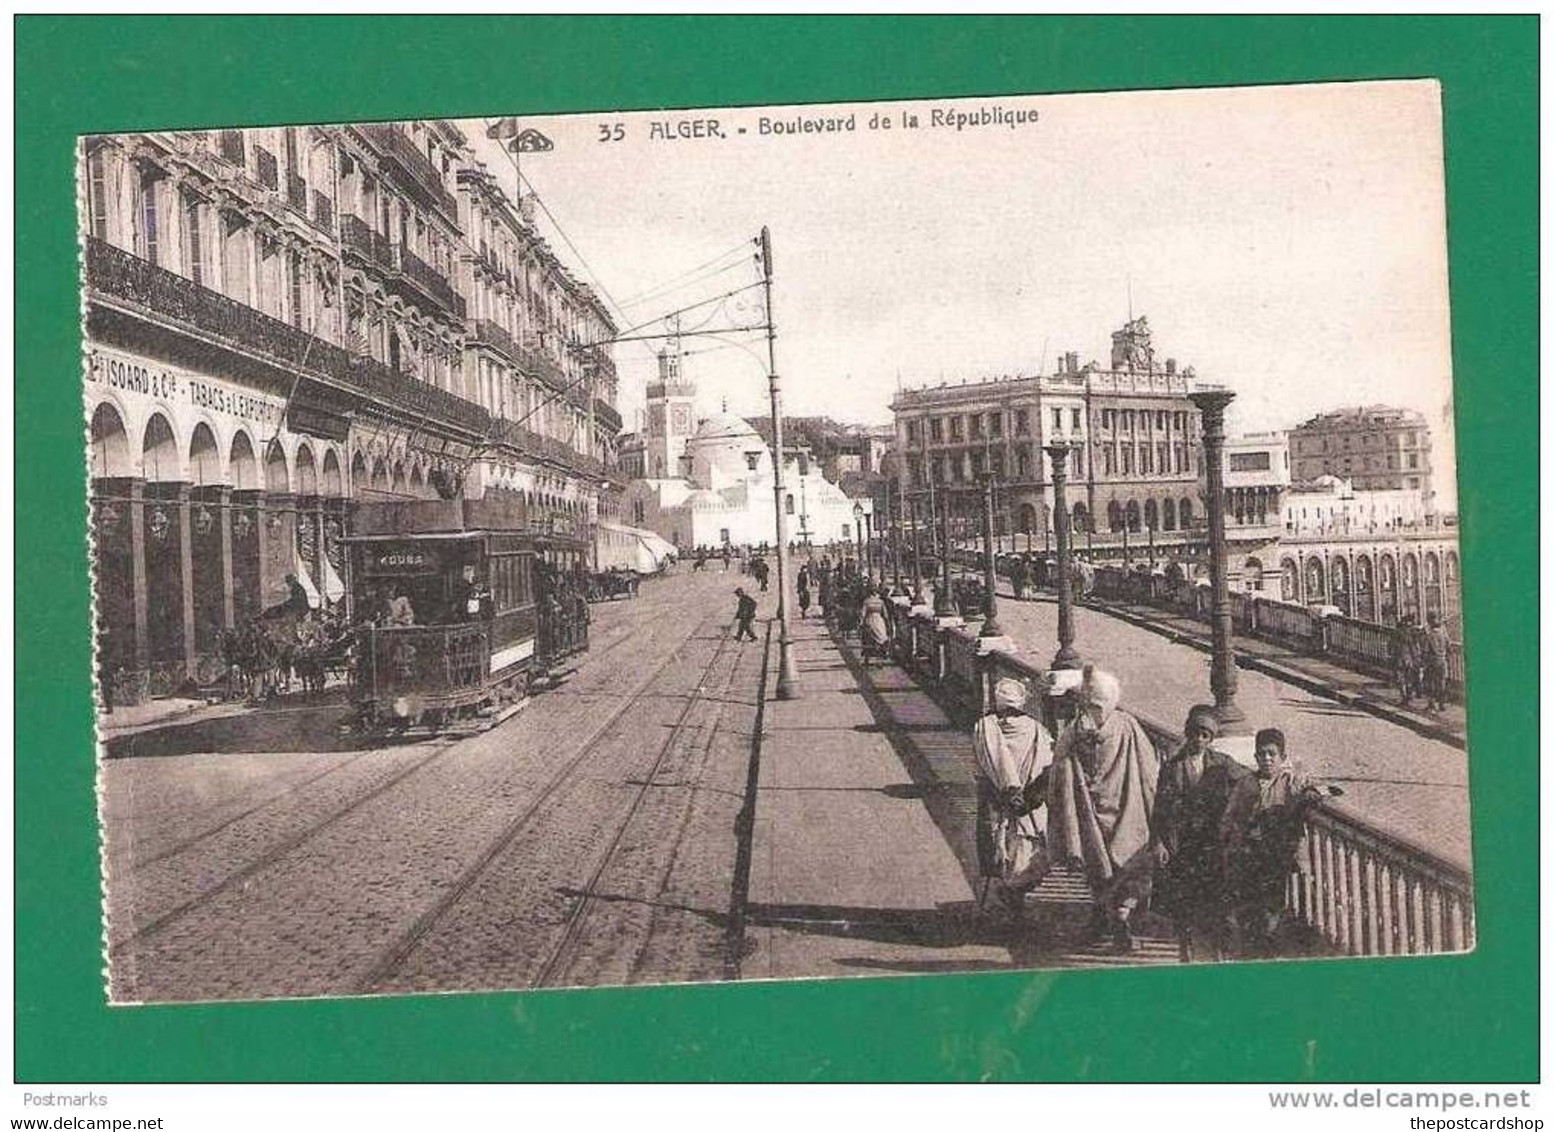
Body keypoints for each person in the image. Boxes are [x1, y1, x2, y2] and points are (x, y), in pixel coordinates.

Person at [1046, 666, 1161, 952]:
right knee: (1118, 868)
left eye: (1093, 707)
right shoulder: (1126, 726)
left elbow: (1057, 768)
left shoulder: (1074, 731)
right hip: (1116, 812)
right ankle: (1117, 914)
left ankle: (1107, 916)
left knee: (1108, 868)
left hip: (1104, 812)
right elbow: (1150, 772)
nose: (1089, 713)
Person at [1220, 727, 1337, 956]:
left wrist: (1313, 793)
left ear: (1283, 758)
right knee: (1248, 903)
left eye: (1272, 754)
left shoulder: (1289, 781)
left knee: (1273, 903)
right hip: (1248, 853)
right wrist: (1231, 840)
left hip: (1275, 854)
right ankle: (1251, 946)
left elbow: (1314, 788)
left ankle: (1269, 943)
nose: (1267, 759)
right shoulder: (1246, 783)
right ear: (1255, 757)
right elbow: (1229, 816)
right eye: (1262, 754)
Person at [1150, 705, 1243, 962]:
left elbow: (1248, 780)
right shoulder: (1172, 767)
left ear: (1211, 739)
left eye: (1205, 735)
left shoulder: (1221, 764)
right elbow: (1159, 808)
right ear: (1188, 734)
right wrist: (1158, 842)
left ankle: (1217, 955)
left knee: (1215, 903)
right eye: (1195, 734)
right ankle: (1186, 953)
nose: (1199, 740)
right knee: (1184, 905)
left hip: (1211, 846)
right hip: (1182, 845)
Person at [973, 677, 1054, 917]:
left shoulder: (984, 727)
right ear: (1021, 703)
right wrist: (1024, 796)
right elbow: (1048, 766)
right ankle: (1014, 896)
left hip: (996, 801)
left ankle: (1007, 896)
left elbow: (983, 764)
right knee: (1030, 854)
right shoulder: (1038, 730)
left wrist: (1007, 788)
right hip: (1030, 804)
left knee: (999, 852)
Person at [1421, 613, 1450, 712]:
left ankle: (1431, 704)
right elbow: (1449, 647)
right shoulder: (1444, 635)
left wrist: (1423, 663)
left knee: (1430, 683)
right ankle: (1442, 704)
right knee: (1442, 683)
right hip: (1442, 660)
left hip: (1432, 661)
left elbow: (1425, 651)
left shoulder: (1429, 636)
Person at [1395, 616, 1423, 708]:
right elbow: (1415, 647)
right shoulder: (1413, 633)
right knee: (1409, 678)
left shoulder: (1399, 633)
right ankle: (1409, 695)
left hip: (1400, 658)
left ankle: (1404, 697)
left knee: (1401, 679)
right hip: (1410, 659)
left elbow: (1392, 646)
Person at [859, 584, 890, 663]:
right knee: (882, 634)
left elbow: (863, 613)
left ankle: (867, 655)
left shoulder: (866, 601)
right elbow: (885, 614)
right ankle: (882, 652)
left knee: (868, 636)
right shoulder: (880, 602)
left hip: (869, 620)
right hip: (879, 620)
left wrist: (861, 622)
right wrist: (887, 623)